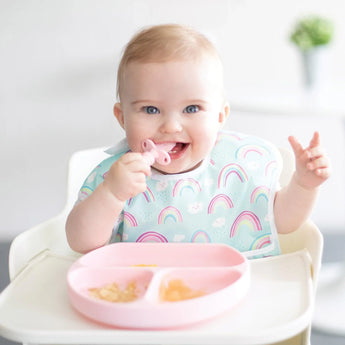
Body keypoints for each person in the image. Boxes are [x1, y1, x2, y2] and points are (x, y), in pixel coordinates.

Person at [65, 24, 331, 258]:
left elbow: (283, 222)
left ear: (220, 116)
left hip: (234, 292)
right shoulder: (117, 178)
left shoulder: (237, 166)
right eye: (150, 110)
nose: (170, 126)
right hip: (145, 299)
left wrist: (304, 185)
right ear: (122, 118)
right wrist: (112, 194)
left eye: (191, 109)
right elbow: (81, 242)